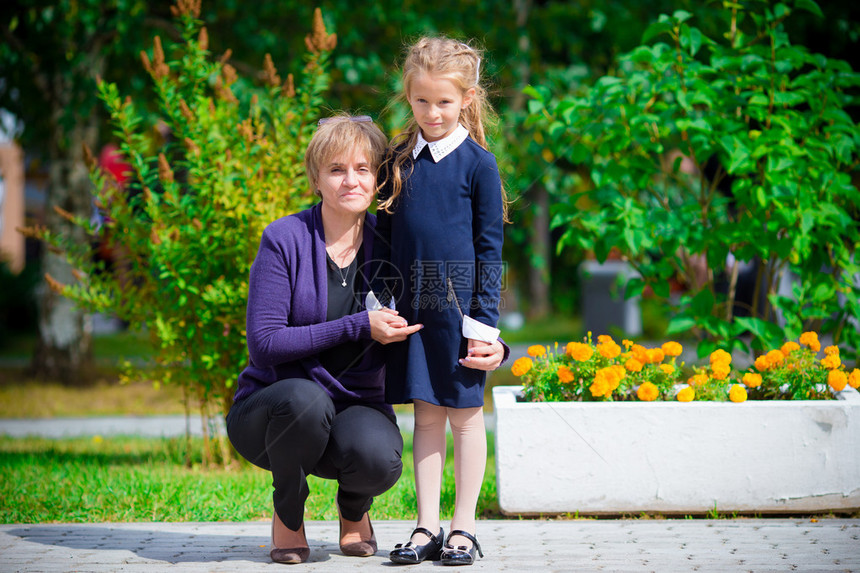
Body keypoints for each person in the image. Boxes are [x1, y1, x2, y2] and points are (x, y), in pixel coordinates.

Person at [226, 115, 422, 565]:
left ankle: (354, 512)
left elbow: (431, 317)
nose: (350, 180)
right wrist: (359, 325)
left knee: (378, 458)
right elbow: (265, 344)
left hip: (358, 404)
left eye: (362, 168)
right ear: (316, 178)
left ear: (378, 179)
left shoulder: (392, 246)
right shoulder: (284, 238)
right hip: (274, 412)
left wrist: (491, 343)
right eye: (336, 169)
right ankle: (288, 516)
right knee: (304, 400)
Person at [376, 37, 508, 566]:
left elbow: (489, 249)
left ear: (467, 100)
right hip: (413, 311)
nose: (433, 112)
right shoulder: (398, 160)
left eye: (445, 102)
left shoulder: (479, 165)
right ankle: (426, 525)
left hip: (460, 314)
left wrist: (484, 325)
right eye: (422, 101)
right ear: (409, 98)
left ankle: (463, 529)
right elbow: (382, 243)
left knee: (465, 417)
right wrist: (378, 302)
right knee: (426, 418)